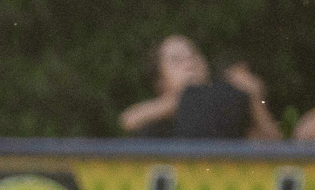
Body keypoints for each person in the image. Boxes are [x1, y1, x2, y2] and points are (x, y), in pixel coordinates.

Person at [119, 35, 281, 140]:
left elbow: (275, 148)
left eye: (194, 55)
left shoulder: (227, 103)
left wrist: (254, 98)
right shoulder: (155, 120)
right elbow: (129, 120)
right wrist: (188, 98)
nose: (189, 63)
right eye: (176, 60)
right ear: (160, 81)